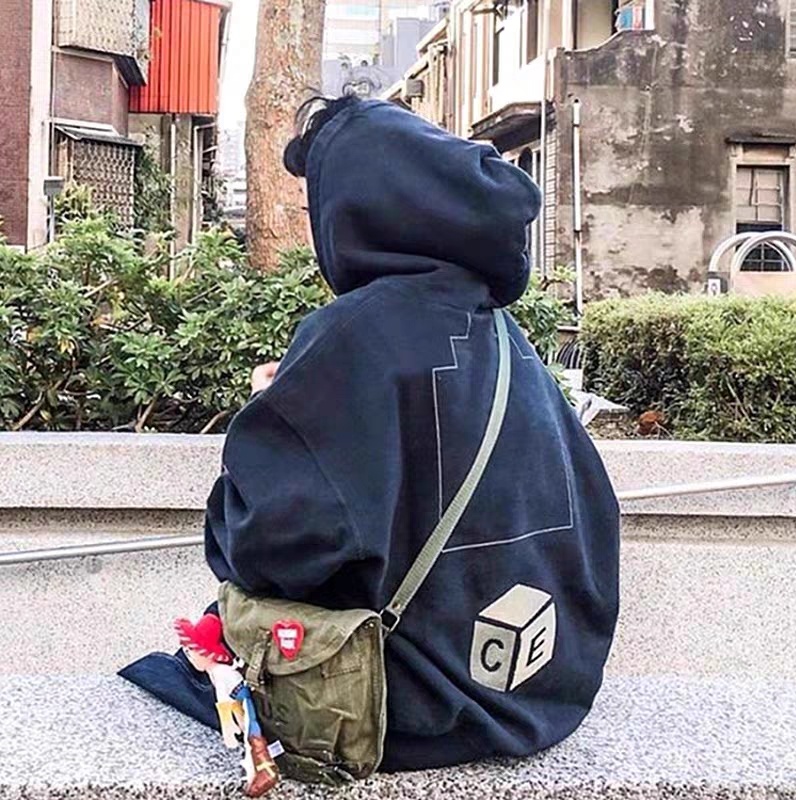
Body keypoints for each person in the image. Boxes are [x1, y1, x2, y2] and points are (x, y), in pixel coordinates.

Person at [200, 96, 620, 771]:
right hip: (541, 700)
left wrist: (271, 412)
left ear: (361, 209)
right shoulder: (502, 335)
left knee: (189, 664)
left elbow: (267, 549)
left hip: (408, 711)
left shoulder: (353, 336)